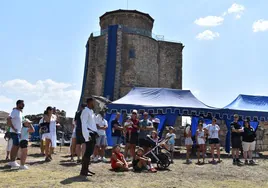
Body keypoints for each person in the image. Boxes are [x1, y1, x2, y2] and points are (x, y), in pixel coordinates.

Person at [80, 98, 98, 177]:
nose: (94, 104)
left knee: (90, 152)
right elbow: (83, 124)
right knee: (88, 152)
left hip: (93, 133)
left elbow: (94, 123)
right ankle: (84, 171)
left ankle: (86, 169)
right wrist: (87, 135)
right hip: (89, 133)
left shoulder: (91, 112)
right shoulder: (85, 111)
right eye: (93, 102)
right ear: (90, 102)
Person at [7, 100, 24, 168]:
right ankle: (12, 161)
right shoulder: (14, 111)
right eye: (22, 104)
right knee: (15, 146)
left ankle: (12, 161)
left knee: (16, 147)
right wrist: (13, 128)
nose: (23, 105)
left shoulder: (19, 112)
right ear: (18, 104)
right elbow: (8, 119)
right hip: (14, 132)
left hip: (18, 132)